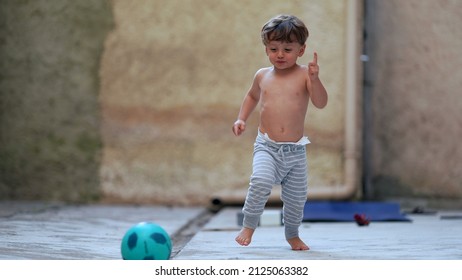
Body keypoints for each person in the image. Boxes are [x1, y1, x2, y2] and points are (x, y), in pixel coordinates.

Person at [232, 14, 328, 251]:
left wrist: (315, 80)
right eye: (274, 48)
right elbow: (252, 96)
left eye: (287, 48)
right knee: (260, 181)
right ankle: (248, 226)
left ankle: (292, 235)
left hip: (294, 151)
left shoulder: (305, 74)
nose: (280, 54)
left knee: (296, 199)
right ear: (266, 49)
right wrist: (241, 118)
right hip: (267, 146)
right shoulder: (262, 75)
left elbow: (321, 102)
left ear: (301, 50)